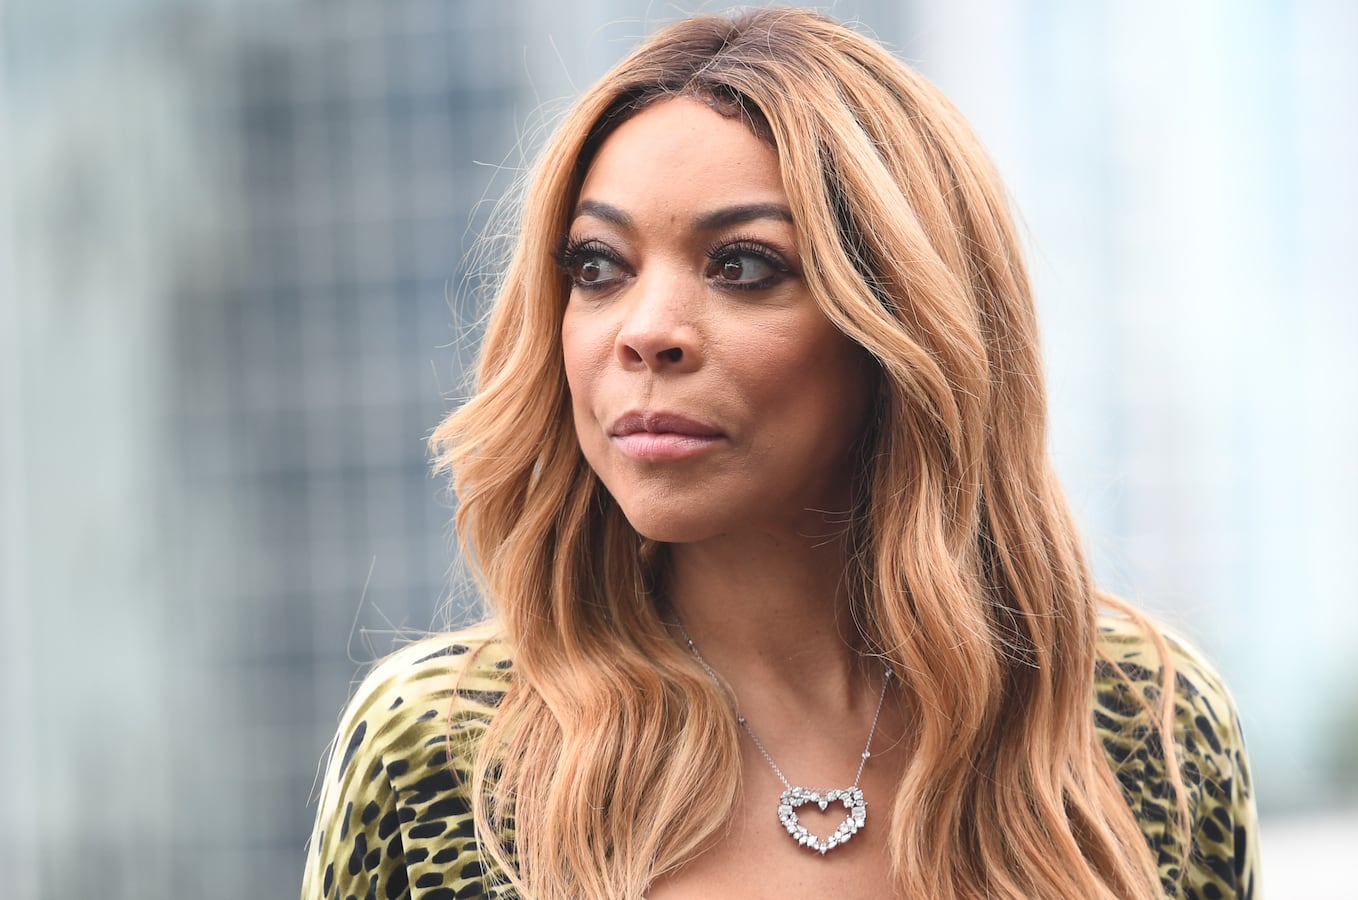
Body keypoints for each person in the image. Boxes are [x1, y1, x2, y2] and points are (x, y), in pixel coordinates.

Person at [302, 8, 1258, 899]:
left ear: (900, 328)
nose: (647, 332)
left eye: (743, 265)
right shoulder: (440, 756)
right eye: (598, 267)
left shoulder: (1142, 728)